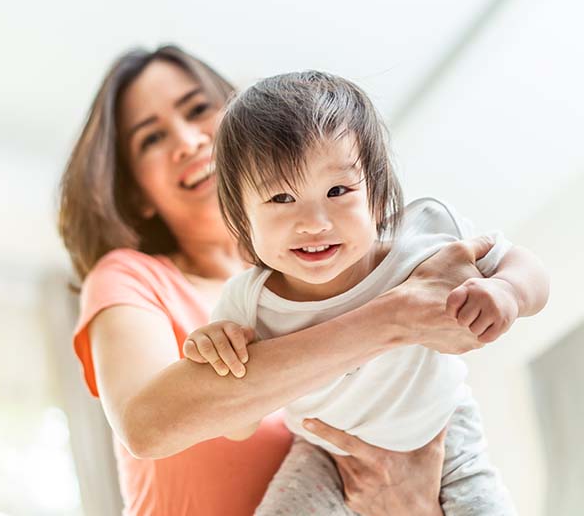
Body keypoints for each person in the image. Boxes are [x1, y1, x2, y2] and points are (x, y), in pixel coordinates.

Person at [56, 45, 542, 516]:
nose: (187, 141)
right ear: (137, 194)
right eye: (151, 139)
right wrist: (396, 318)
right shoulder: (173, 287)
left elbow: (517, 269)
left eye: (198, 108)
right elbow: (147, 428)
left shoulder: (396, 248)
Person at [182, 70, 550, 515]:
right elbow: (239, 426)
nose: (314, 223)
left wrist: (508, 290)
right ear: (241, 216)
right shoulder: (246, 302)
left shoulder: (422, 241)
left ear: (375, 194)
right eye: (281, 198)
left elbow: (526, 265)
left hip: (444, 431)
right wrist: (217, 351)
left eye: (337, 190)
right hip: (324, 455)